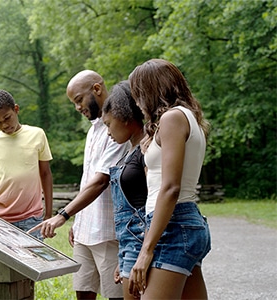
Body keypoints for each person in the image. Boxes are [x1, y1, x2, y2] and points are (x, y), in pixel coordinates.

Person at [32, 71, 128, 300]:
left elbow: (101, 180)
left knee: (116, 295)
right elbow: (87, 179)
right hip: (85, 230)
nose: (77, 108)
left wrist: (63, 215)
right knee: (83, 292)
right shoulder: (92, 131)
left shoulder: (119, 128)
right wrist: (78, 220)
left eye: (79, 100)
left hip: (108, 231)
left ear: (96, 89)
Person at [127, 58, 211, 299]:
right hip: (182, 221)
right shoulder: (188, 117)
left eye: (138, 94)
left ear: (150, 91)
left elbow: (171, 188)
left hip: (173, 225)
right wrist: (146, 154)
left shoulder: (172, 118)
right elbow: (158, 181)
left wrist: (146, 250)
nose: (137, 102)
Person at [0, 89, 54, 240]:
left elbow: (45, 174)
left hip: (32, 219)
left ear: (16, 109)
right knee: (0, 263)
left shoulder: (37, 134)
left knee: (34, 262)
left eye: (7, 118)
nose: (4, 125)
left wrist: (49, 214)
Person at [101, 81, 147, 300]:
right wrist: (123, 257)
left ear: (125, 116)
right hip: (130, 244)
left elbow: (153, 205)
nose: (107, 132)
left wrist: (142, 254)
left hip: (142, 242)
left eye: (109, 124)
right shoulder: (127, 153)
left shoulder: (147, 149)